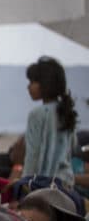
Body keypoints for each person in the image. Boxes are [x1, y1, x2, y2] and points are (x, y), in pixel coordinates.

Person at [21, 56, 79, 185]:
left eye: (32, 82)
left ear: (45, 84)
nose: (28, 87)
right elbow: (71, 149)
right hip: (66, 183)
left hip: (43, 185)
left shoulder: (37, 114)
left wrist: (24, 184)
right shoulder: (66, 111)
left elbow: (33, 155)